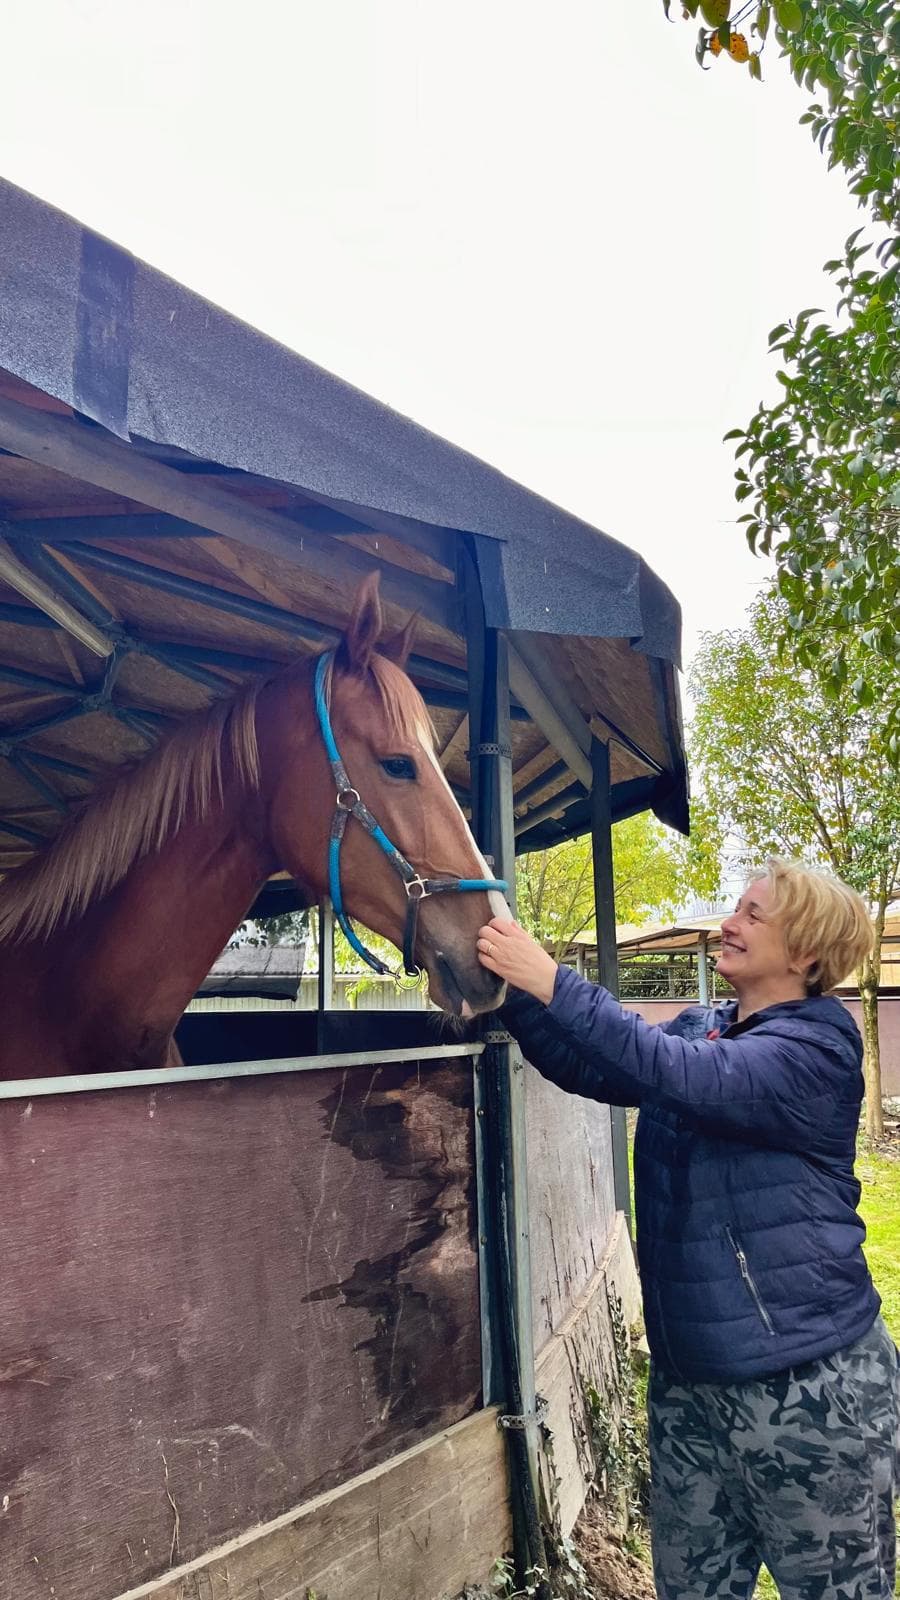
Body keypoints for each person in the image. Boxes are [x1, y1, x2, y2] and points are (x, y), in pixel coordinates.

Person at [477, 858, 900, 1600]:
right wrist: (508, 991)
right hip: (689, 1387)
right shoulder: (706, 1027)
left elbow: (676, 1073)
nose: (729, 924)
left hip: (809, 1391)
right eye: (736, 908)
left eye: (754, 915)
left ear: (804, 954)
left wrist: (549, 975)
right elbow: (595, 1065)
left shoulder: (818, 1050)